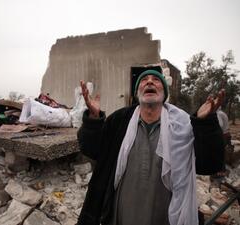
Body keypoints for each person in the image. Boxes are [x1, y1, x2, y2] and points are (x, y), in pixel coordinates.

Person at [76, 69, 225, 225]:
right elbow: (92, 150)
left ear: (164, 93)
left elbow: (210, 164)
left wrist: (205, 124)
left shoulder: (182, 127)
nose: (149, 82)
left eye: (156, 79)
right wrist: (93, 119)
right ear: (137, 92)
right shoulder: (119, 121)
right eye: (144, 80)